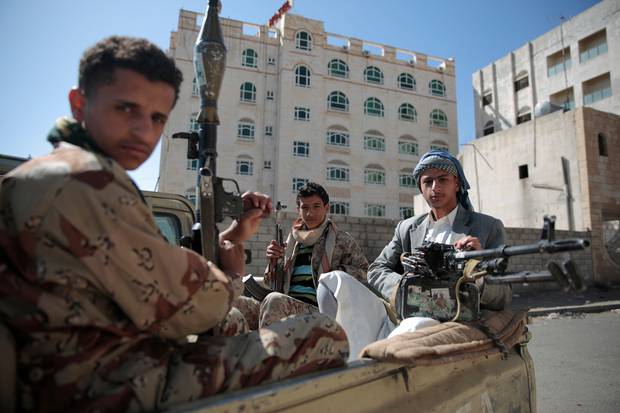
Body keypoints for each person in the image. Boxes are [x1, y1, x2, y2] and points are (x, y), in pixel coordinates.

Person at [0, 36, 348, 412]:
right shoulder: (89, 182)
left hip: (83, 360)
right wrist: (230, 269)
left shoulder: (40, 175)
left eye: (157, 118)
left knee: (237, 318)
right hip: (106, 383)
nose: (143, 131)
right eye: (126, 108)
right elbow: (195, 308)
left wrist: (230, 240)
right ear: (79, 103)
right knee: (324, 334)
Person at [325, 150, 512, 358]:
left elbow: (504, 294)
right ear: (420, 188)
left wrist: (477, 268)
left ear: (457, 184)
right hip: (403, 309)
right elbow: (377, 269)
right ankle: (345, 365)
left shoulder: (487, 227)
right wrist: (407, 289)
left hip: (449, 320)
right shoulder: (407, 228)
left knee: (413, 326)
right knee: (332, 280)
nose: (435, 188)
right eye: (428, 182)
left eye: (443, 180)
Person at [235, 182, 369, 332]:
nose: (310, 213)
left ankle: (267, 354)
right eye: (305, 208)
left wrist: (335, 275)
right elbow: (269, 283)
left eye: (316, 207)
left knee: (274, 301)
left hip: (319, 312)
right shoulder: (293, 241)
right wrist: (273, 262)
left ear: (326, 208)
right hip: (284, 303)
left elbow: (364, 273)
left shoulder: (342, 240)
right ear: (298, 210)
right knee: (232, 304)